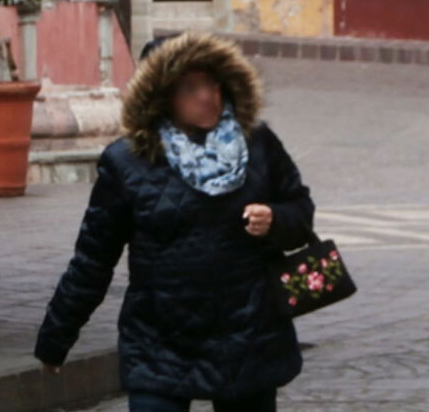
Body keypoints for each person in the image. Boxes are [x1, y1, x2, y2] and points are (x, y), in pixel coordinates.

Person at [34, 32, 315, 411]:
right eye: (190, 87)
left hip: (246, 335)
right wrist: (56, 338)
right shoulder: (126, 163)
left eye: (212, 83)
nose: (207, 96)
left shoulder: (258, 143)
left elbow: (300, 209)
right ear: (161, 96)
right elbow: (93, 260)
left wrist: (276, 219)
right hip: (160, 341)